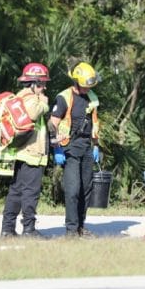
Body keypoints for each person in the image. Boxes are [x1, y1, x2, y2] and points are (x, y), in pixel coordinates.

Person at [49, 62, 102, 237]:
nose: (88, 89)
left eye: (90, 86)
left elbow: (94, 122)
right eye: (85, 86)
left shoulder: (91, 97)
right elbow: (52, 124)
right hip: (69, 147)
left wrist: (96, 146)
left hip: (87, 147)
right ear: (76, 82)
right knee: (73, 190)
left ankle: (81, 227)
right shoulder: (64, 97)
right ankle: (71, 230)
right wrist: (56, 149)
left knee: (86, 189)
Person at [0, 62, 51, 238]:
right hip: (32, 154)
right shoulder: (30, 98)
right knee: (30, 192)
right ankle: (29, 229)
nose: (44, 87)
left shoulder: (19, 96)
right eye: (42, 83)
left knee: (16, 191)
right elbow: (33, 113)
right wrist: (44, 103)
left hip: (22, 152)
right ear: (34, 83)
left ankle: (7, 229)